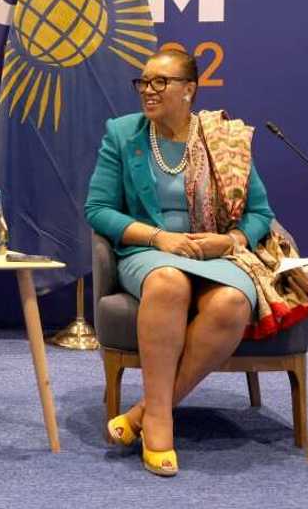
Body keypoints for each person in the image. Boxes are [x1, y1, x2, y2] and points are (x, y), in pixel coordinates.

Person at [84, 48, 273, 477]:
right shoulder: (122, 134)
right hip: (148, 251)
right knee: (168, 281)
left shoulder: (224, 139)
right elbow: (97, 210)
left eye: (160, 82)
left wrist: (227, 241)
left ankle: (146, 410)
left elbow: (261, 214)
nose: (148, 91)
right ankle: (159, 423)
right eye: (144, 82)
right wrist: (159, 237)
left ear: (189, 90)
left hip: (214, 253)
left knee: (231, 303)